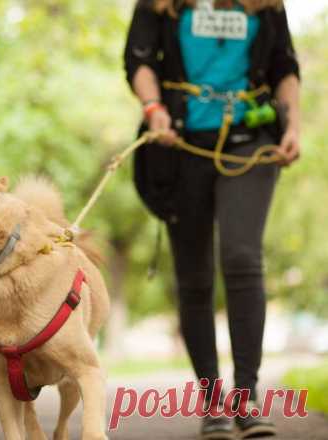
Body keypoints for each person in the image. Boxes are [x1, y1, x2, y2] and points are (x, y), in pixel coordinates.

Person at [123, 0, 300, 439]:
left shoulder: (266, 5)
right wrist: (153, 109)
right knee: (195, 276)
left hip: (250, 141)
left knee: (242, 257)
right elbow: (139, 60)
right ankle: (213, 403)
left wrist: (291, 125)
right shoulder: (160, 6)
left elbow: (285, 67)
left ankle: (247, 397)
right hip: (180, 143)